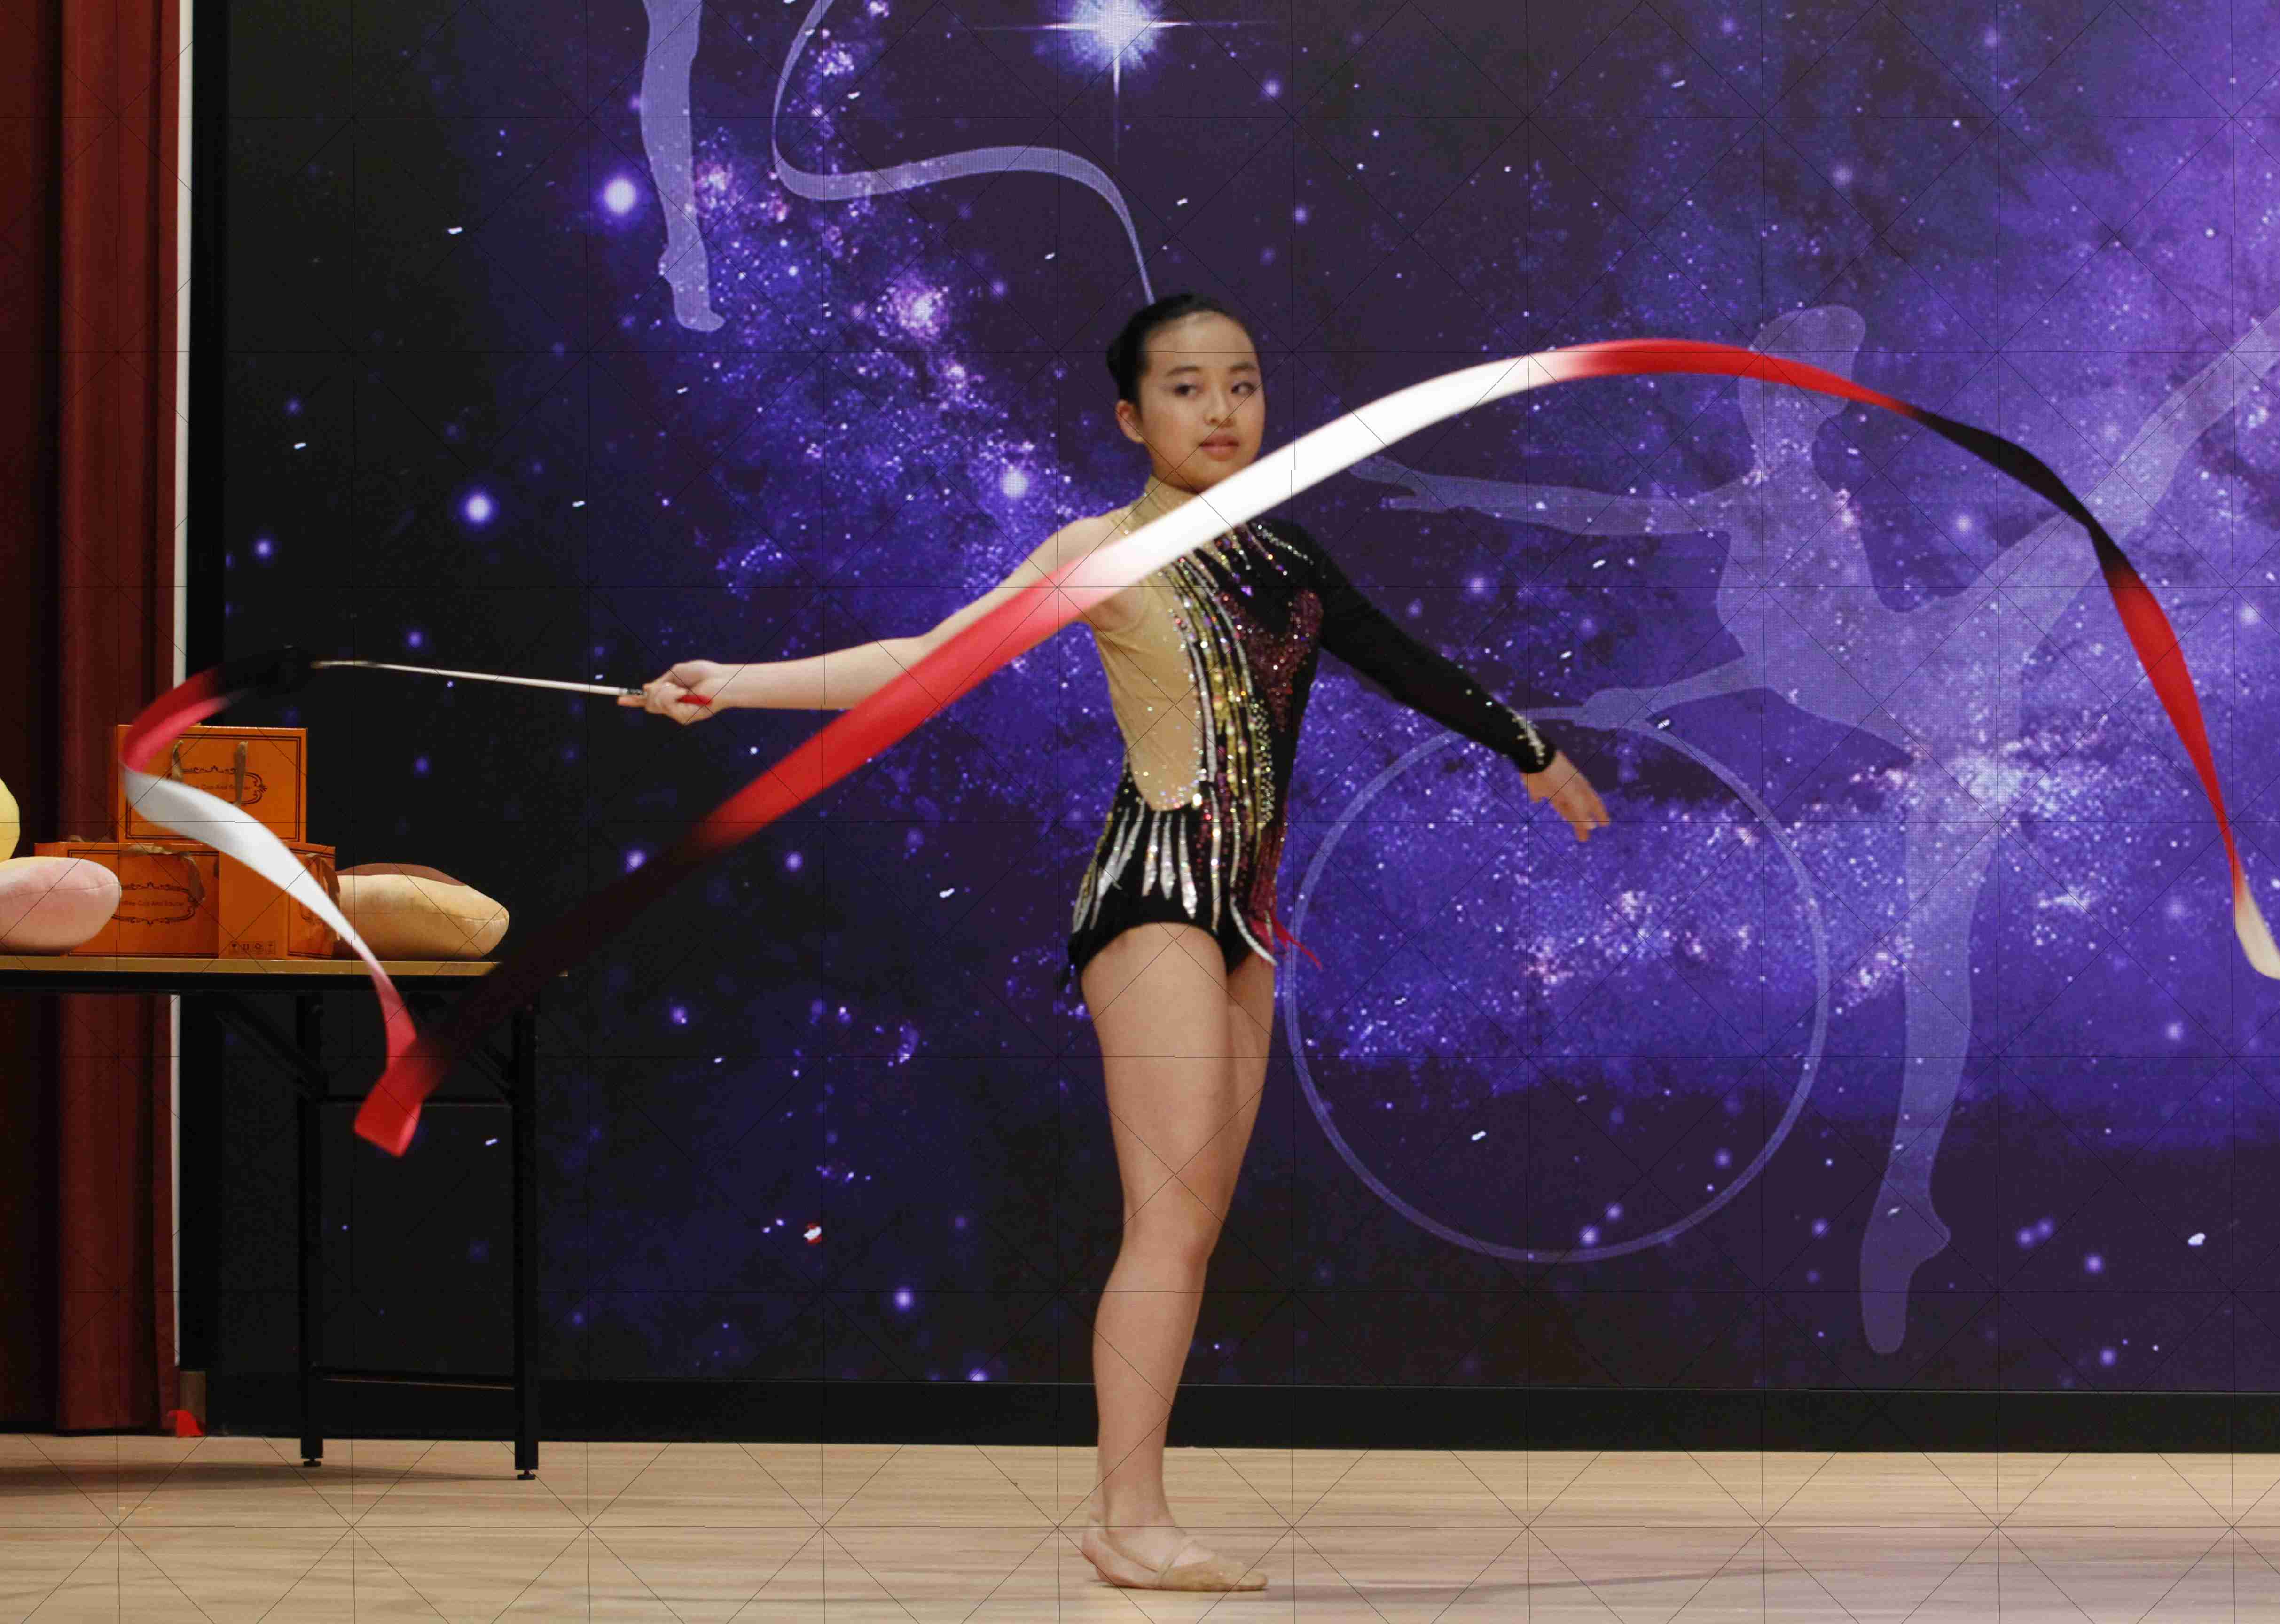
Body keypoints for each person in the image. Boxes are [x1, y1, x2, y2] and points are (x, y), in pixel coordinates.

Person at [625, 292, 1611, 1591]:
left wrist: (1529, 749)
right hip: (1151, 892)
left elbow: (1402, 660)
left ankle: (1130, 1514)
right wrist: (735, 685)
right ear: (1132, 417)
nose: (1222, 410)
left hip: (1246, 913)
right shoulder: (1100, 552)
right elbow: (927, 662)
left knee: (1191, 1229)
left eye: (1242, 383)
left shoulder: (1290, 555)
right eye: (1187, 388)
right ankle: (1130, 1519)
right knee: (1167, 1218)